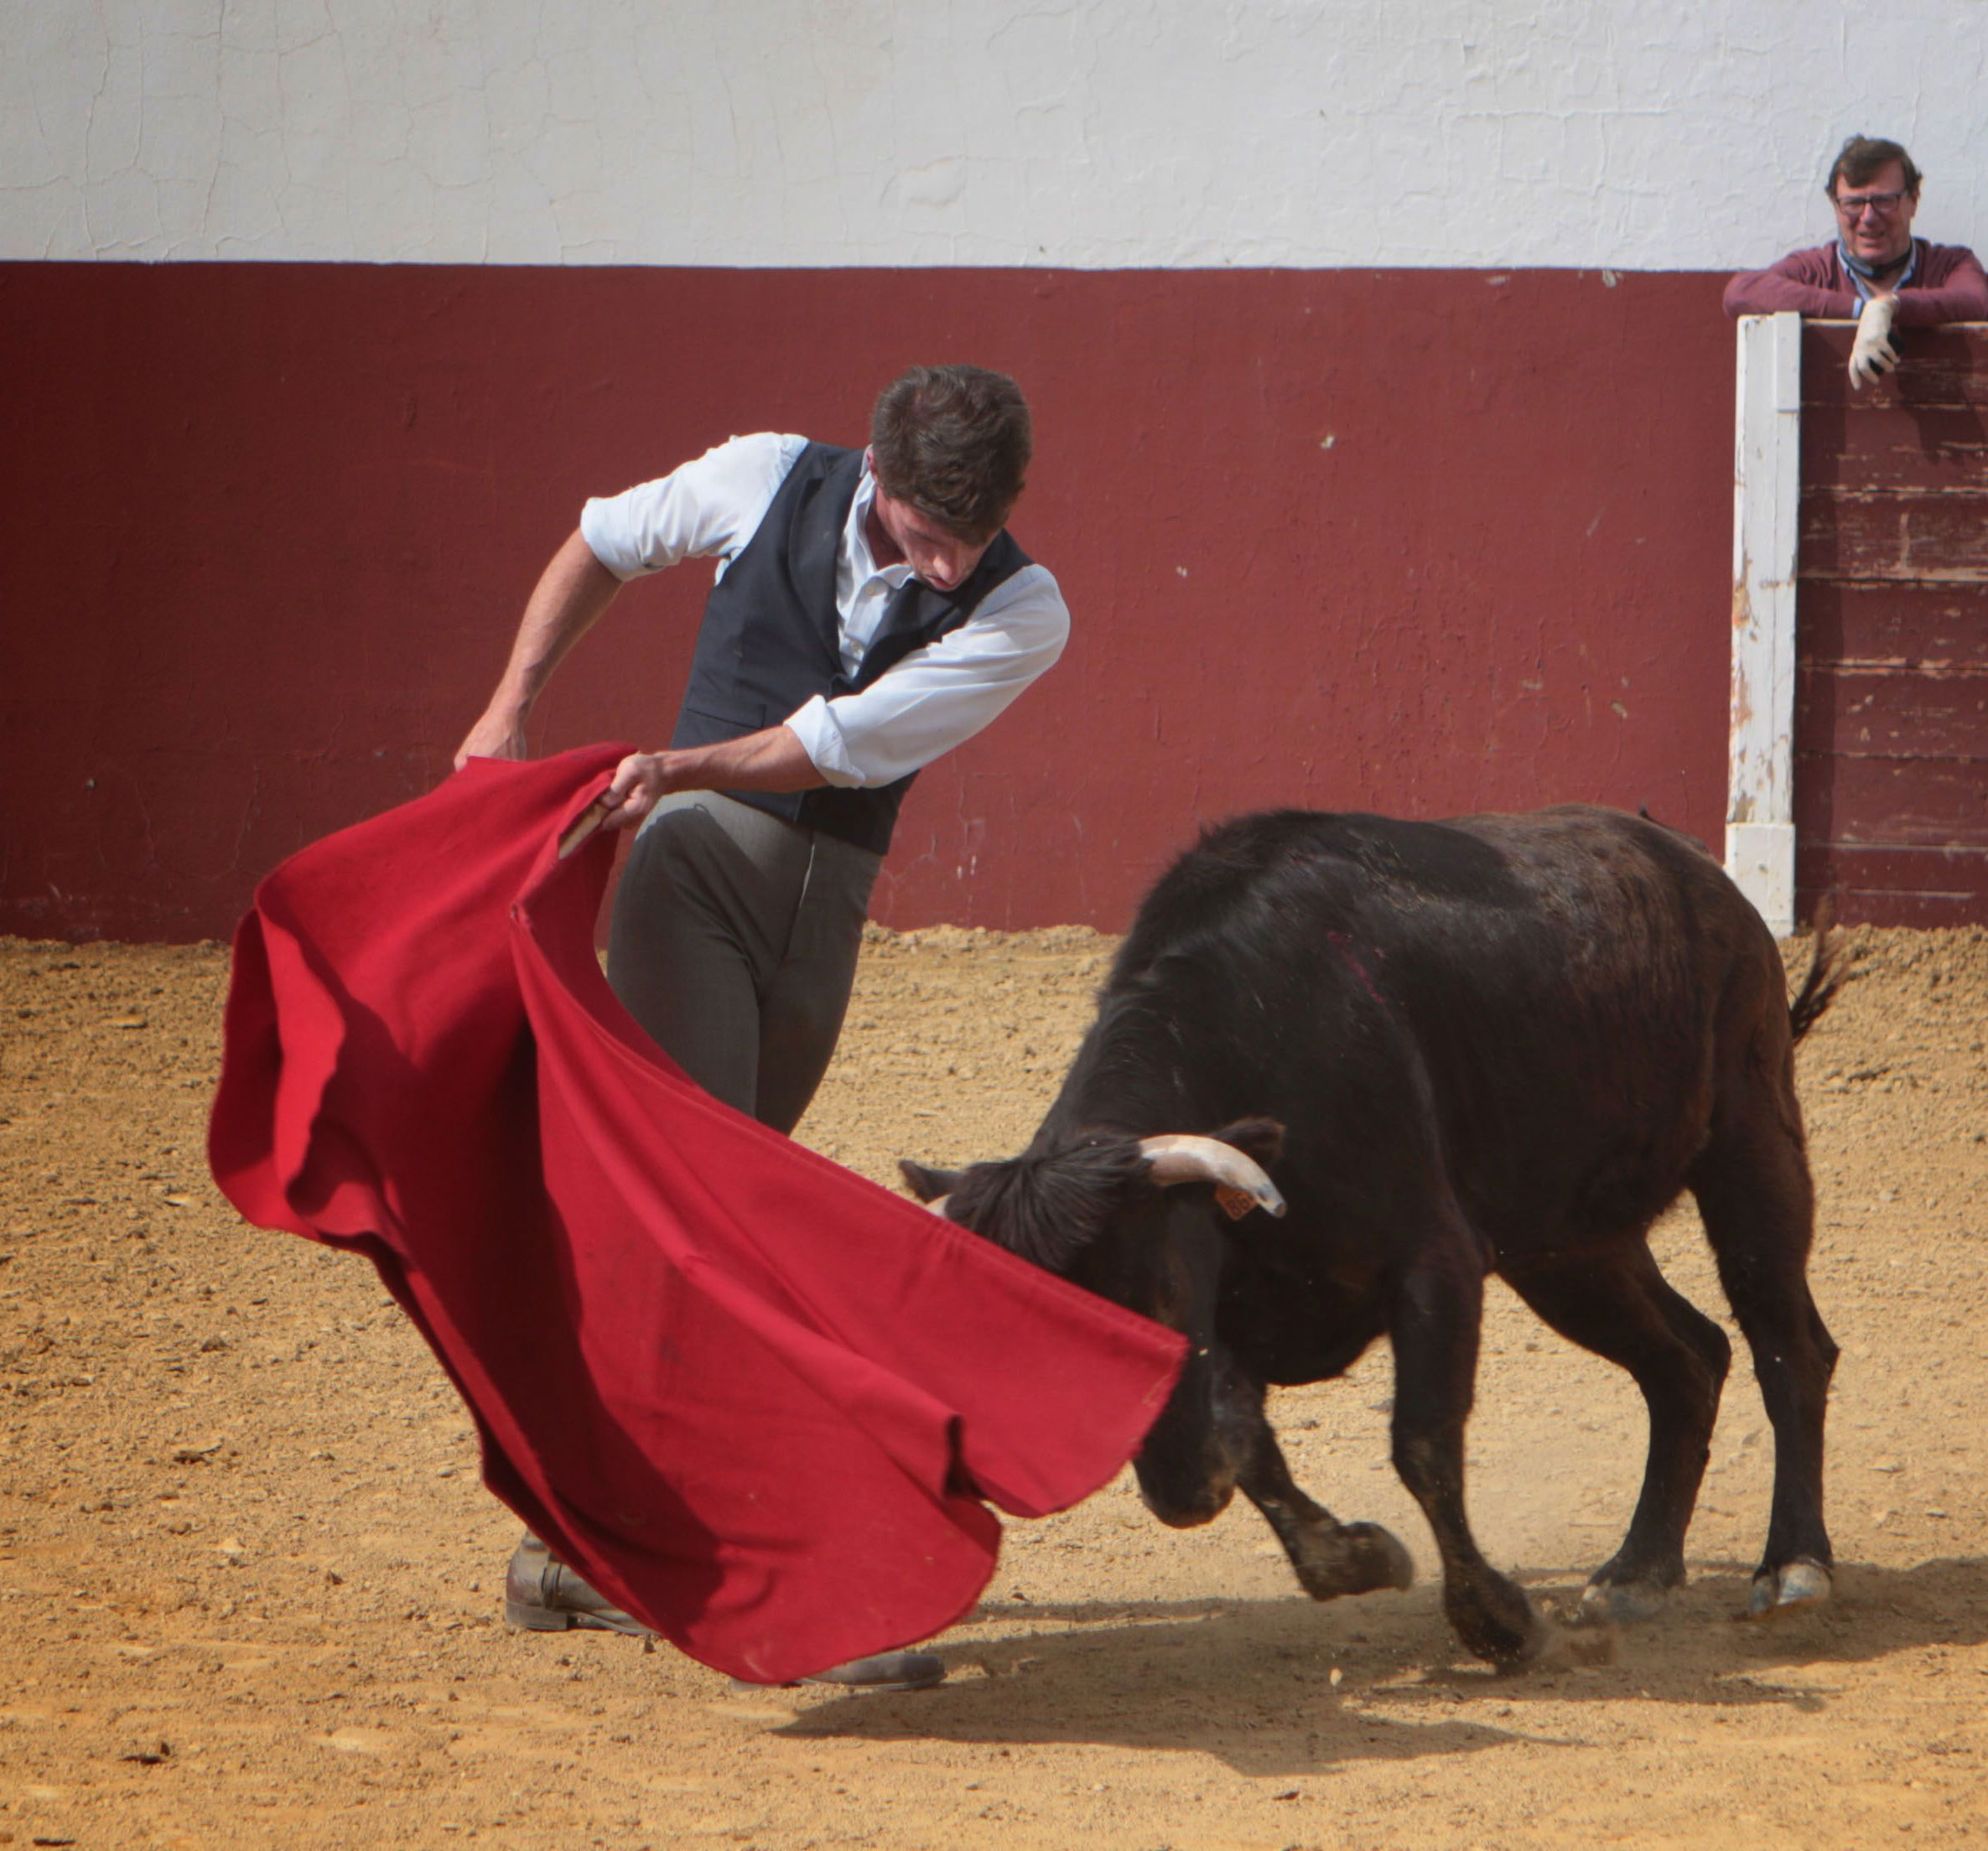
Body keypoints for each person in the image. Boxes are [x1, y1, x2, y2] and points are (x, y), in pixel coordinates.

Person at [453, 364, 1069, 1691]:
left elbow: (847, 741)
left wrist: (679, 760)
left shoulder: (1025, 608)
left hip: (817, 918)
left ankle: (571, 1543)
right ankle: (767, 1572)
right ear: (878, 476)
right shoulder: (761, 475)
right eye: (922, 533)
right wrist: (511, 707)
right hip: (687, 873)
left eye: (972, 534)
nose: (949, 563)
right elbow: (601, 539)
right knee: (712, 1227)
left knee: (709, 1222)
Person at [1723, 134, 1988, 388]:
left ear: (1914, 201)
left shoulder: (1950, 264)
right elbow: (1740, 292)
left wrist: (1891, 306)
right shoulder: (1815, 270)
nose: (1869, 217)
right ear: (1836, 207)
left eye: (1884, 201)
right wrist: (1859, 310)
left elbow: (1978, 299)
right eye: (1853, 203)